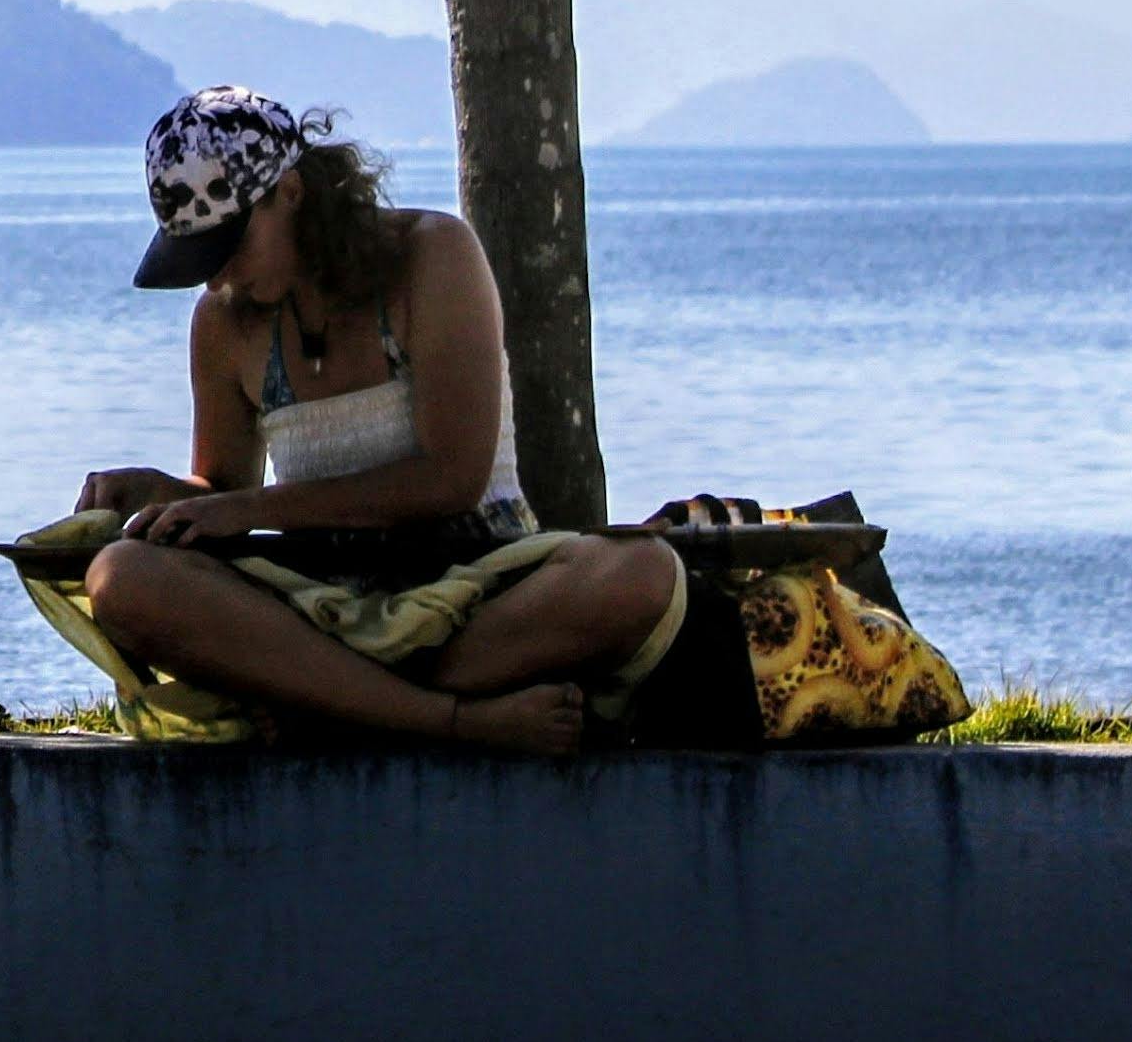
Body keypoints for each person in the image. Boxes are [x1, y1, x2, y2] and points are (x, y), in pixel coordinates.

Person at [73, 88, 682, 755]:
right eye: (200, 259)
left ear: (293, 194)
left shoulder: (431, 254)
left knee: (641, 574)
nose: (217, 277)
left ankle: (333, 702)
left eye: (228, 247)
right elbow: (223, 494)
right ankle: (445, 716)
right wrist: (158, 492)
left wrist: (248, 508)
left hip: (479, 583)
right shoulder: (223, 320)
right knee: (121, 578)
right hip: (321, 605)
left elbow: (452, 477)